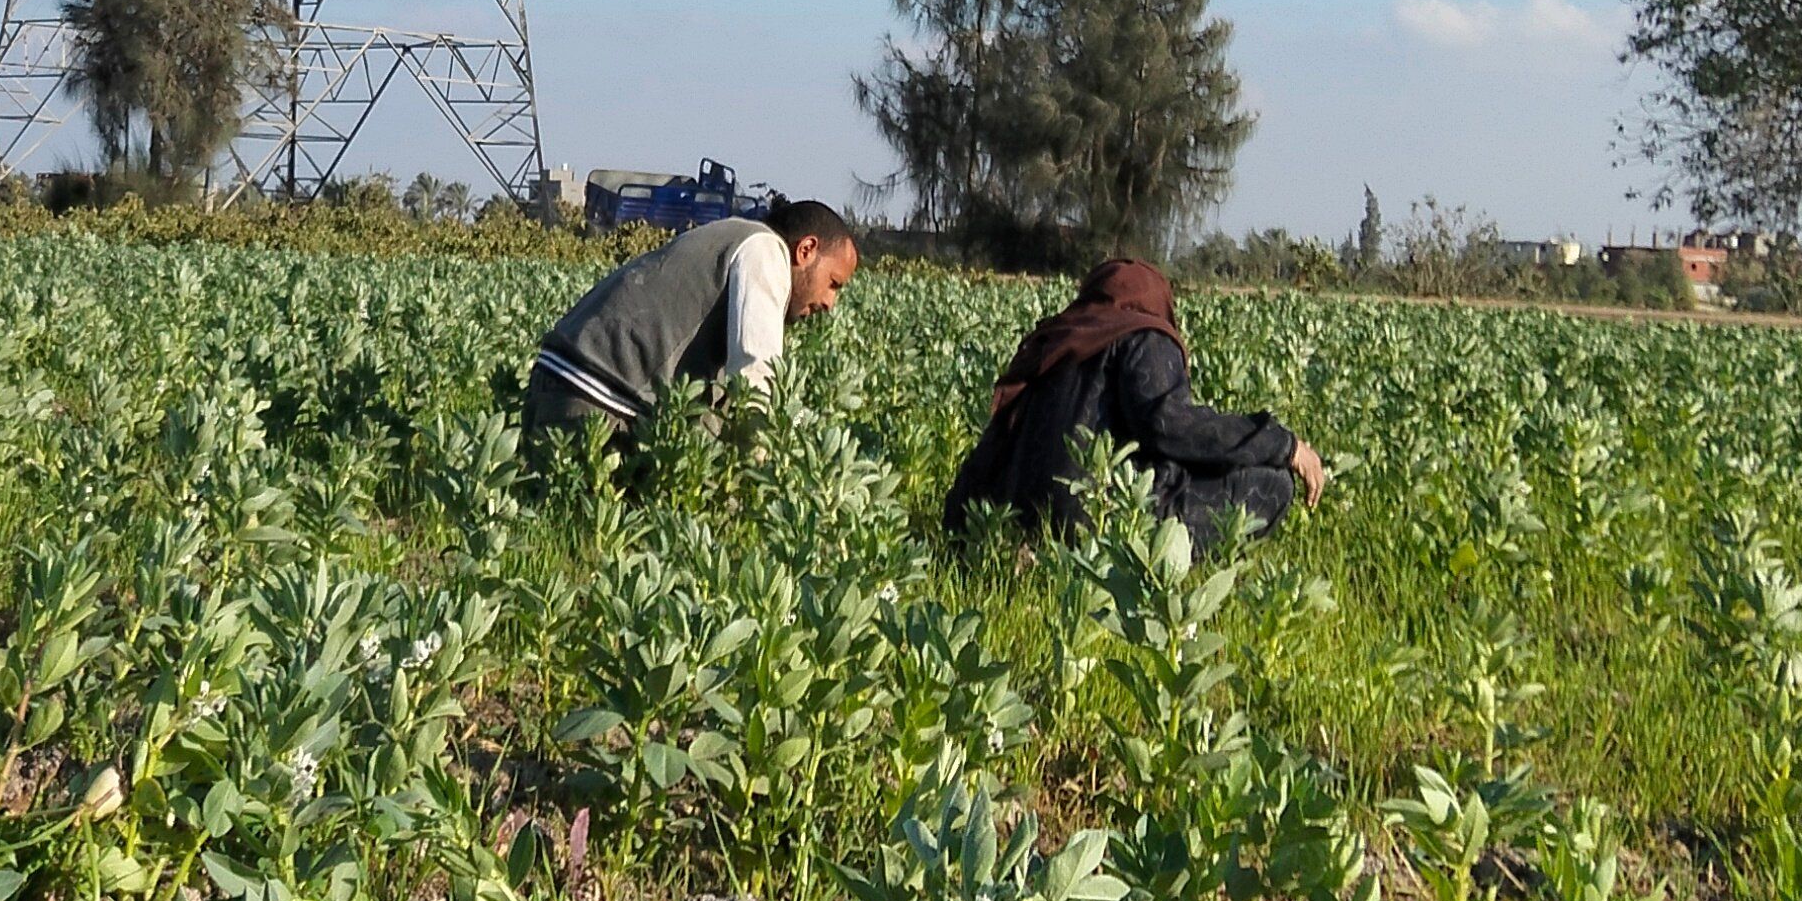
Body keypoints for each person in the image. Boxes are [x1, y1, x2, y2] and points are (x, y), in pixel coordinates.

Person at [941, 256, 1326, 547]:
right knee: (1273, 483)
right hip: (1096, 520)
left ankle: (1028, 552)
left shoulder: (1055, 340)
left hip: (1012, 519)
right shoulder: (1143, 335)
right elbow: (1169, 426)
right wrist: (1281, 444)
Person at [526, 195, 861, 453]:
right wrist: (763, 478)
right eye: (833, 283)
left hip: (555, 385)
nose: (830, 303)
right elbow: (754, 375)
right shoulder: (765, 249)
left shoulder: (728, 236)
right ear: (806, 250)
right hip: (595, 404)